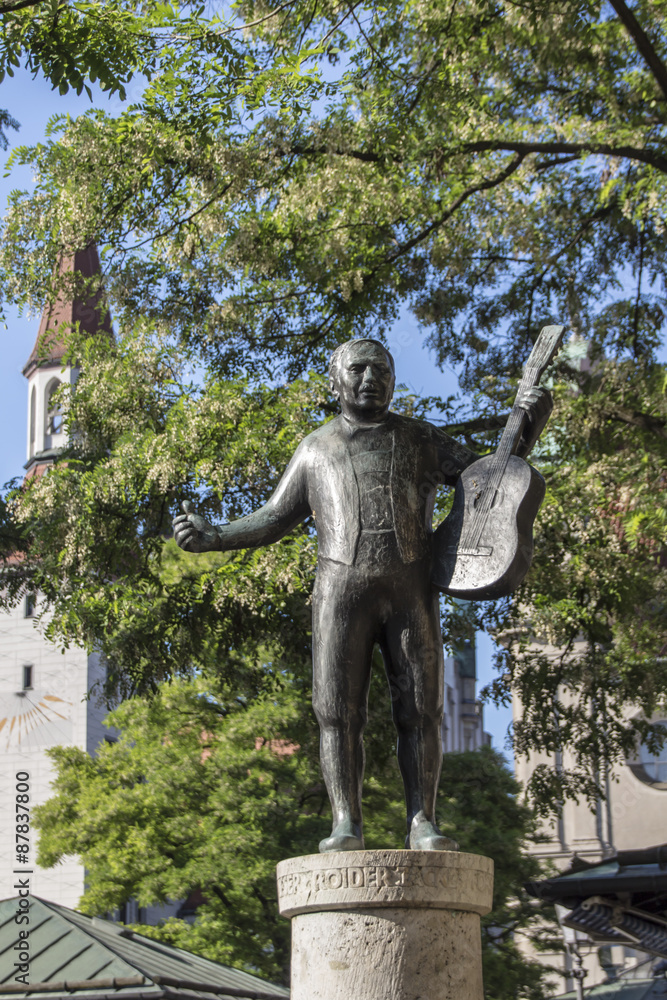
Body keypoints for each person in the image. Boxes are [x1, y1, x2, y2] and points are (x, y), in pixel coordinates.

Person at [173, 338, 551, 853]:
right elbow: (273, 518)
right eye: (358, 369)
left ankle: (423, 821)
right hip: (339, 592)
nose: (371, 378)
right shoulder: (315, 448)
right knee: (336, 710)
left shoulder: (421, 438)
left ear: (395, 380)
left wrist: (528, 424)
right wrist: (214, 535)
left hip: (410, 589)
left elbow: (492, 479)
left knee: (420, 710)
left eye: (382, 369)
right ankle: (345, 822)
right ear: (336, 380)